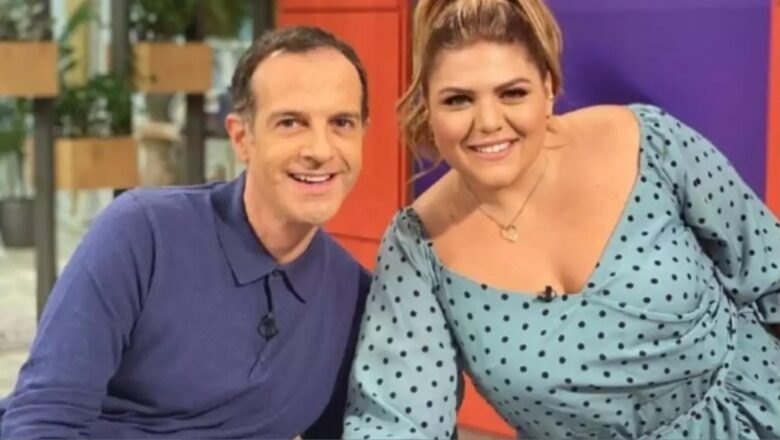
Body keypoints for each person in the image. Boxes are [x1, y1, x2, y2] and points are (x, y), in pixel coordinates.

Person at [342, 1, 780, 438]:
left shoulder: (647, 141)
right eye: (458, 100)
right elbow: (397, 420)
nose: (488, 122)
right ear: (429, 107)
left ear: (548, 88)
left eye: (512, 93)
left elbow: (771, 271)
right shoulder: (417, 249)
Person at [1, 26, 372, 439]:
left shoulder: (354, 297)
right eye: (290, 123)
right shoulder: (142, 234)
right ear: (242, 138)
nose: (320, 150)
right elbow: (42, 421)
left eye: (341, 123)